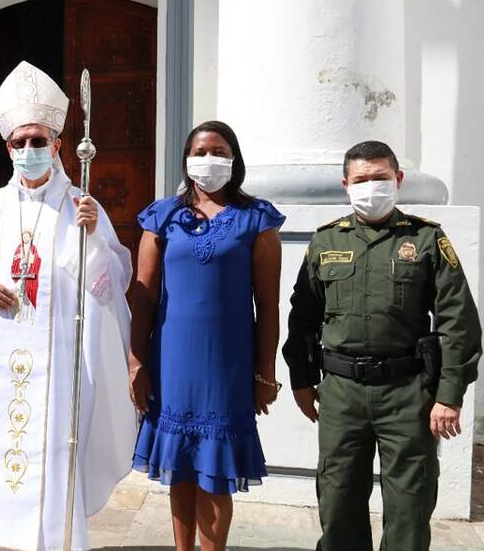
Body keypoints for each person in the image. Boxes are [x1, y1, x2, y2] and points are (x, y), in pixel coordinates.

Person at [0, 61, 135, 551]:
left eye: (38, 140)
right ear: (7, 147)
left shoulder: (81, 206)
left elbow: (111, 280)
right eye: (19, 142)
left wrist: (93, 238)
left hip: (58, 368)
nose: (28, 150)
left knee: (52, 454)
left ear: (57, 145)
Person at [282, 140, 482, 551]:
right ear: (345, 184)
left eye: (379, 178)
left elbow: (458, 322)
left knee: (409, 509)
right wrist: (302, 380)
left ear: (398, 180)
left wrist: (449, 395)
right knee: (338, 506)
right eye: (361, 180)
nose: (370, 187)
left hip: (408, 395)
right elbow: (302, 319)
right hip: (341, 393)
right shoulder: (324, 242)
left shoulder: (427, 240)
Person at [129, 120, 285, 551]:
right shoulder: (163, 216)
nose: (208, 160)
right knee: (179, 467)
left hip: (227, 364)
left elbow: (267, 305)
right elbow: (142, 297)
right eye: (199, 152)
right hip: (172, 361)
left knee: (214, 471)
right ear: (186, 159)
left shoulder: (257, 220)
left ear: (234, 160)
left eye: (218, 151)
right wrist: (136, 362)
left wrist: (265, 374)